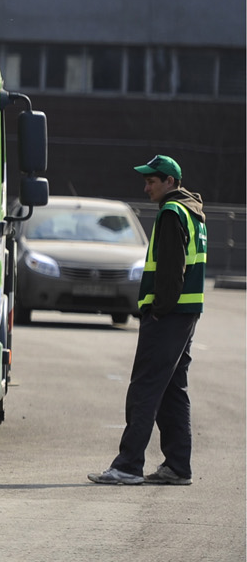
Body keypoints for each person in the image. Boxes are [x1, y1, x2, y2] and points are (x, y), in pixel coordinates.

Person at [88, 154, 207, 486]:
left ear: (170, 182)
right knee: (172, 389)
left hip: (168, 314)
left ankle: (128, 465)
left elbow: (171, 271)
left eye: (152, 181)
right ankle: (177, 466)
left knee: (145, 389)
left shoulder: (171, 213)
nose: (146, 187)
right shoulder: (193, 213)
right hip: (186, 313)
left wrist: (158, 308)